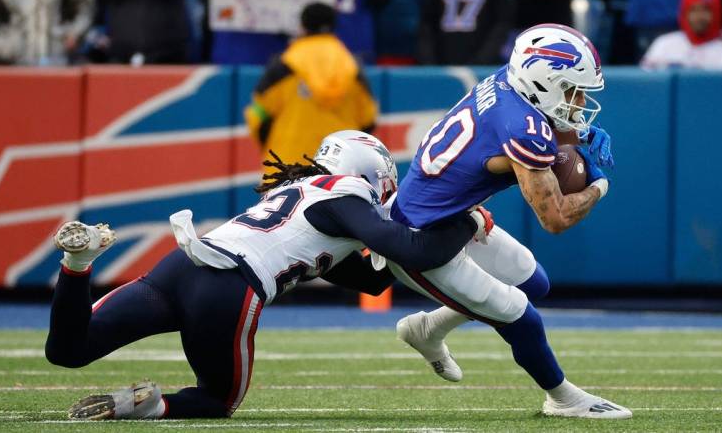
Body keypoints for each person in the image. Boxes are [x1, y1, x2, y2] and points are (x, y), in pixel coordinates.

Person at [46, 130, 492, 420]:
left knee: (69, 349)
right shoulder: (347, 193)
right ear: (367, 173)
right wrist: (466, 222)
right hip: (228, 286)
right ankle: (144, 407)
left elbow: (373, 279)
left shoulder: (295, 190)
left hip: (181, 267)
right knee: (217, 401)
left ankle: (78, 263)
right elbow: (406, 249)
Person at [381, 23, 632, 419]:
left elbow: (528, 130)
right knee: (519, 315)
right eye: (571, 89)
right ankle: (562, 398)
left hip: (448, 214)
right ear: (544, 80)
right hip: (418, 240)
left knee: (534, 282)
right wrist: (600, 185)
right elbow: (557, 218)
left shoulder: (507, 82)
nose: (579, 100)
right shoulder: (522, 127)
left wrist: (578, 135)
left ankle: (427, 329)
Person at [244, 2, 377, 174]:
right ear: (334, 26)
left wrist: (271, 147)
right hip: (339, 172)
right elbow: (368, 121)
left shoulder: (284, 66)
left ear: (302, 26)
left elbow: (257, 115)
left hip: (286, 170)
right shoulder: (353, 68)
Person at [641, 0, 722, 69]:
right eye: (693, 10)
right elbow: (645, 82)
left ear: (716, 14)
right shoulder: (664, 44)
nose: (699, 16)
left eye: (706, 10)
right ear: (684, 13)